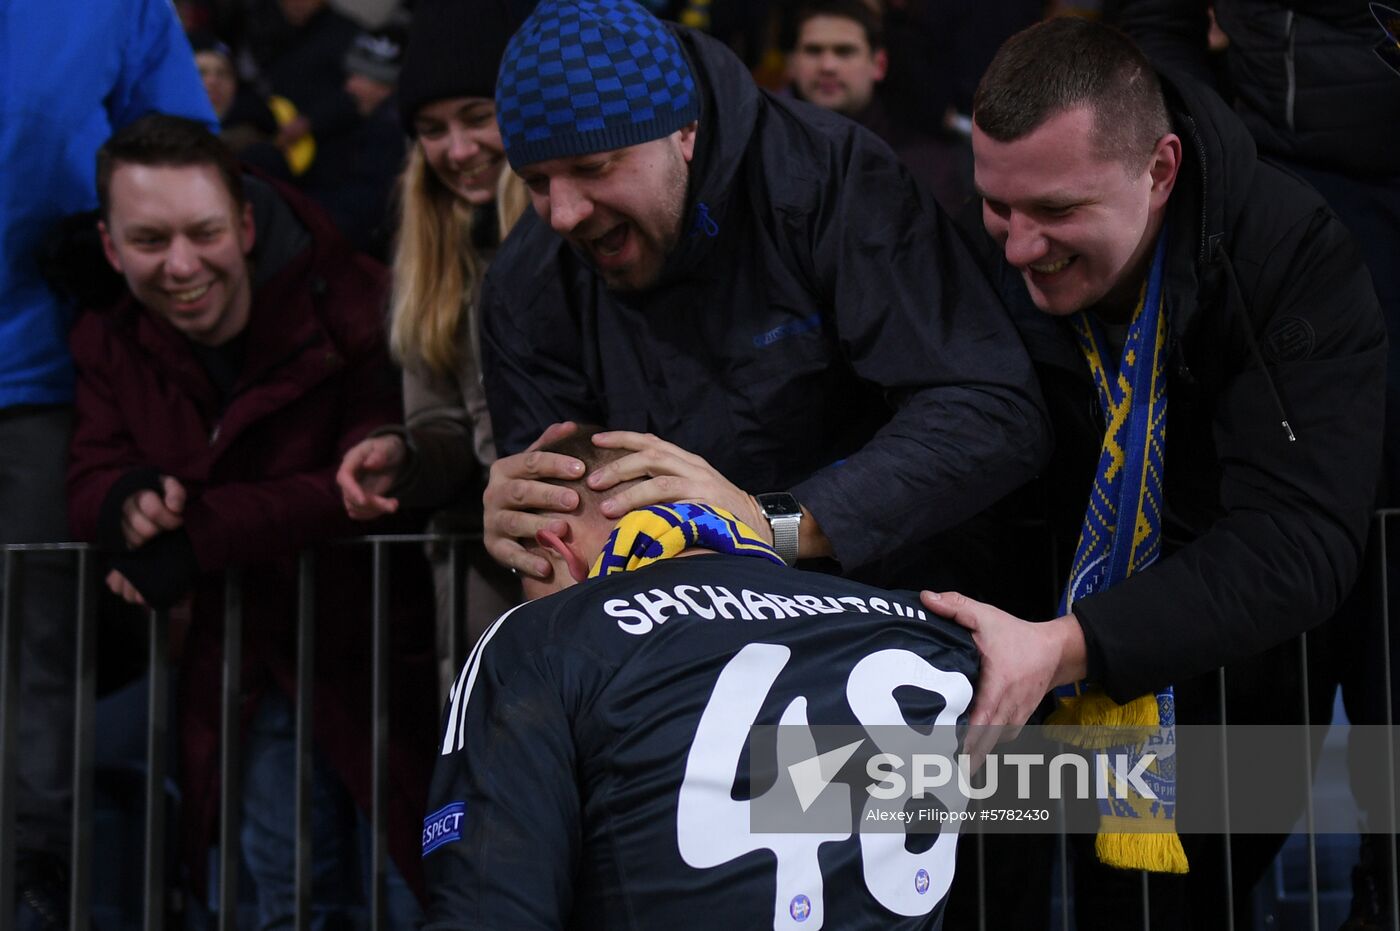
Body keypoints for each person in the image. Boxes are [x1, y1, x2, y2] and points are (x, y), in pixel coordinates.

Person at [919, 17, 1386, 928]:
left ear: (1160, 170)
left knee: (1154, 911)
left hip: (1218, 670)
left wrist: (1064, 643)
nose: (1018, 247)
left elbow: (1301, 541)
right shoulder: (968, 241)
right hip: (991, 661)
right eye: (998, 207)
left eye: (1055, 212)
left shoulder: (1288, 251)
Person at [478, 0, 1049, 596]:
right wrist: (533, 532)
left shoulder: (829, 182)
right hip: (679, 646)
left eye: (594, 166)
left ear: (684, 132)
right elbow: (554, 541)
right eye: (537, 183)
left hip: (899, 612)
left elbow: (988, 409)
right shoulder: (528, 284)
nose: (564, 214)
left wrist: (768, 520)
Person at [65, 114, 437, 928]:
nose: (182, 265)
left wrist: (192, 536)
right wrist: (125, 500)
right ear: (109, 245)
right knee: (281, 901)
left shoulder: (354, 297)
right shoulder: (110, 338)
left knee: (414, 893)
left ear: (242, 222)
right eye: (150, 239)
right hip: (240, 673)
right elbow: (88, 469)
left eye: (201, 233)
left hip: (378, 663)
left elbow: (355, 487)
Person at [422, 427, 980, 928]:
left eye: (526, 576)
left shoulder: (540, 637)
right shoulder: (927, 627)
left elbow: (485, 909)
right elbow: (1048, 788)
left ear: (557, 549)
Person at [0, 2, 215, 927]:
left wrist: (114, 240)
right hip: (46, 369)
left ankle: (32, 884)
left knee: (41, 652)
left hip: (44, 375)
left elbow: (181, 152)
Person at [335, 0, 528, 696]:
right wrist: (405, 454)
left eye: (478, 117)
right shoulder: (430, 252)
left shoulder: (578, 234)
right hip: (488, 588)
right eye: (431, 130)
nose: (456, 149)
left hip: (610, 564)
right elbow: (444, 426)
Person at [786, 0, 969, 211]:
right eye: (813, 50)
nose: (827, 66)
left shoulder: (925, 166)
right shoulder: (765, 149)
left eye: (845, 51)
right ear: (791, 64)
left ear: (879, 64)